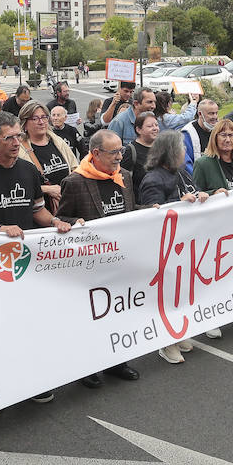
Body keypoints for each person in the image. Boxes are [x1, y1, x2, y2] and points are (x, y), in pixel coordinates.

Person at [0, 113, 77, 403]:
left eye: (18, 137)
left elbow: (38, 210)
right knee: (3, 326)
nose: (15, 142)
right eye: (8, 138)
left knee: (31, 320)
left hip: (28, 261)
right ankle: (6, 381)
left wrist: (55, 222)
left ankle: (34, 378)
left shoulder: (28, 170)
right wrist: (0, 228)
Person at [57, 130, 151, 374]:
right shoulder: (75, 182)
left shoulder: (125, 176)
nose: (120, 157)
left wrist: (151, 210)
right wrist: (74, 222)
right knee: (91, 318)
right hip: (90, 267)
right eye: (114, 152)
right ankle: (86, 369)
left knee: (118, 313)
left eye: (121, 150)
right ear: (96, 153)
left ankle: (116, 362)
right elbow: (60, 220)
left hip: (121, 261)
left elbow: (130, 209)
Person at [190, 120, 233, 339]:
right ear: (215, 138)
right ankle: (211, 317)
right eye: (223, 135)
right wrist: (212, 194)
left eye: (232, 135)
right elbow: (194, 195)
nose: (228, 139)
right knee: (214, 275)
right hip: (214, 230)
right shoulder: (203, 163)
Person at [17, 100, 78, 212]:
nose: (41, 122)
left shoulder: (58, 142)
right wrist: (46, 189)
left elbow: (75, 168)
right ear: (24, 124)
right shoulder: (19, 150)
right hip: (39, 213)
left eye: (44, 117)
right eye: (35, 119)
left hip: (67, 206)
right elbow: (17, 185)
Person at [138, 131, 209, 209]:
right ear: (173, 152)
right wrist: (179, 202)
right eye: (182, 147)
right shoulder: (153, 180)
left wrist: (202, 194)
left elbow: (195, 190)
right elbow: (153, 213)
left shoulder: (181, 171)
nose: (184, 151)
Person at [121, 112, 161, 199]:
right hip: (141, 205)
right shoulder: (131, 150)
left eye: (156, 125)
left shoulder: (162, 147)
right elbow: (123, 181)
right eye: (150, 126)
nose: (155, 128)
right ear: (138, 130)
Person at [180, 99, 220, 173]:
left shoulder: (219, 129)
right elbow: (186, 163)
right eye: (211, 113)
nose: (215, 117)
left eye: (216, 113)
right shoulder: (188, 134)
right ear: (200, 114)